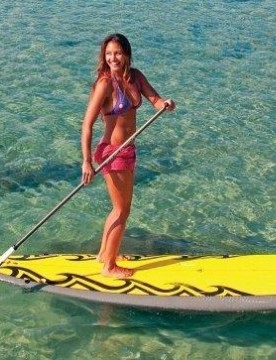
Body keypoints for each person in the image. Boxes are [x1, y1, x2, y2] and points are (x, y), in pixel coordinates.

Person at [81, 33, 175, 278]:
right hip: (112, 154)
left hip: (128, 150)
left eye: (117, 53)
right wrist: (87, 161)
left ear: (126, 54)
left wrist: (165, 103)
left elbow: (154, 99)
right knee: (121, 211)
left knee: (119, 209)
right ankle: (109, 267)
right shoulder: (105, 84)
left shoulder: (135, 77)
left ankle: (104, 253)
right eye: (109, 53)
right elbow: (87, 125)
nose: (113, 58)